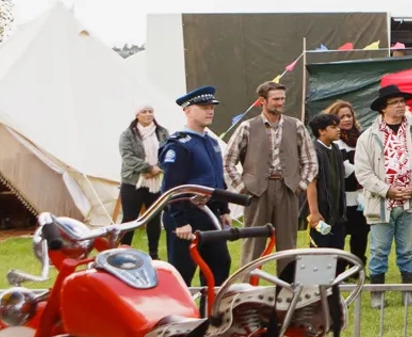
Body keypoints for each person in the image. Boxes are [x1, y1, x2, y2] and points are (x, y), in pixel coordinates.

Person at [353, 85, 412, 306]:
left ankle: (408, 293)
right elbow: (363, 172)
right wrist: (385, 189)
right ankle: (377, 295)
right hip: (381, 203)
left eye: (402, 101)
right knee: (379, 250)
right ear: (383, 108)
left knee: (408, 250)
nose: (401, 106)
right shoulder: (368, 137)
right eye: (395, 102)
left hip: (411, 201)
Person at [224, 80, 317, 264]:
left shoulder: (296, 125)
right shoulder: (247, 127)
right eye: (275, 99)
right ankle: (247, 290)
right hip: (256, 192)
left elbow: (311, 161)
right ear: (262, 101)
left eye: (282, 98)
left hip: (288, 189)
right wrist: (243, 189)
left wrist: (300, 186)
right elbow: (227, 163)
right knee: (253, 245)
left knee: (288, 247)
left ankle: (286, 291)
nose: (280, 102)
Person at [159, 86, 230, 291]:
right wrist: (180, 221)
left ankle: (210, 316)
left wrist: (224, 210)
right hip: (186, 215)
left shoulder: (210, 141)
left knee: (219, 266)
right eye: (204, 107)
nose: (210, 111)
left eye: (211, 107)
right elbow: (172, 186)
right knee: (183, 271)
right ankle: (182, 318)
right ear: (188, 111)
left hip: (209, 213)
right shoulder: (180, 144)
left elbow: (217, 179)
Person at [116, 104, 166, 256]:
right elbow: (128, 158)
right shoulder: (127, 135)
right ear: (137, 115)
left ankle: (153, 253)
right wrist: (148, 168)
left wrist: (157, 168)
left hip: (155, 184)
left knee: (154, 219)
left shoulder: (162, 132)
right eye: (144, 111)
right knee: (129, 219)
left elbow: (168, 152)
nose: (148, 114)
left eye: (151, 111)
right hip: (133, 183)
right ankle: (123, 251)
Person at [330, 102, 370, 267]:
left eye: (349, 115)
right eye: (342, 117)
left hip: (362, 197)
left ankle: (357, 268)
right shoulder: (335, 142)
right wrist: (366, 174)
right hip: (343, 198)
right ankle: (339, 270)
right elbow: (346, 170)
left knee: (361, 235)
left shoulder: (362, 138)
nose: (347, 119)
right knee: (340, 236)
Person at [305, 111, 351, 254]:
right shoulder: (314, 151)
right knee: (320, 251)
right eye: (333, 127)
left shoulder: (336, 148)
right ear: (322, 131)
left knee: (337, 249)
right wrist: (314, 212)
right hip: (322, 213)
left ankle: (336, 277)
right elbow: (311, 183)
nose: (339, 129)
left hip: (337, 213)